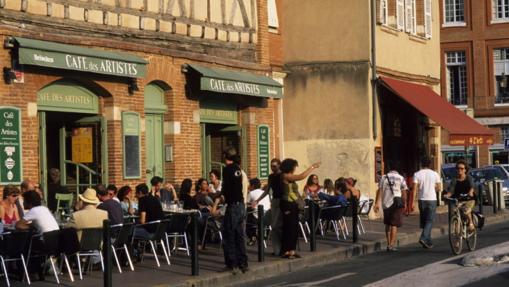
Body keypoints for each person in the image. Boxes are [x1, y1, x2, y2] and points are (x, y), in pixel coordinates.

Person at [280, 158, 320, 259]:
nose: (294, 169)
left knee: (294, 228)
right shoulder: (285, 176)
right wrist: (312, 167)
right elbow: (301, 176)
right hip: (287, 204)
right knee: (289, 228)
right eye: (294, 167)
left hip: (293, 204)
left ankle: (292, 250)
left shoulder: (289, 176)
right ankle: (286, 251)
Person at [220, 147, 249, 274]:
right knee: (239, 235)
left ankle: (231, 263)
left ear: (226, 156)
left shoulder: (227, 170)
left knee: (228, 234)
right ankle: (243, 262)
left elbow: (226, 188)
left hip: (233, 205)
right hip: (241, 205)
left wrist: (221, 197)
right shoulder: (238, 169)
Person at [374, 164, 408, 252]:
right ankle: (391, 245)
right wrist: (405, 204)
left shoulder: (384, 177)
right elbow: (404, 192)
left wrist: (377, 203)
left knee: (388, 223)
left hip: (386, 203)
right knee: (394, 224)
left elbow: (380, 190)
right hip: (396, 202)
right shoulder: (401, 178)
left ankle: (388, 243)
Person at [412, 157, 441, 249]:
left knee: (425, 221)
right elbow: (439, 188)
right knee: (430, 220)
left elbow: (414, 189)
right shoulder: (435, 174)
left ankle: (428, 241)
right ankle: (424, 238)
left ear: (421, 164)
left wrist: (412, 202)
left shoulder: (417, 174)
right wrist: (433, 188)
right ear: (430, 164)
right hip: (432, 199)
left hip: (422, 199)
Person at [445, 160, 476, 232]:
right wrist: (447, 195)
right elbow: (451, 190)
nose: (459, 170)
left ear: (465, 170)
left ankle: (471, 223)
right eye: (458, 168)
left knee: (466, 210)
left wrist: (470, 192)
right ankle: (457, 237)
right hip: (458, 199)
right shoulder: (454, 179)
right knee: (456, 212)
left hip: (469, 199)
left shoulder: (469, 178)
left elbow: (472, 187)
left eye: (462, 168)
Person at [246, 178, 271, 246]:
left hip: (257, 218)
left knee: (247, 217)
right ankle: (264, 235)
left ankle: (252, 236)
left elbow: (246, 205)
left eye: (249, 185)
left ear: (252, 186)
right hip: (268, 217)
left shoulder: (251, 193)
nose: (248, 187)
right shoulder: (265, 193)